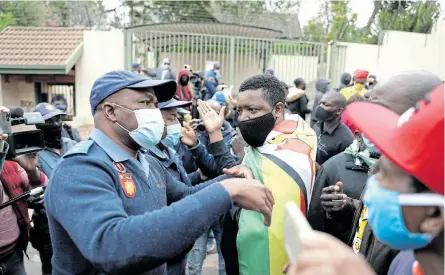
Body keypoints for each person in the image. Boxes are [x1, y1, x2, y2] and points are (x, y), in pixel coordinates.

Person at [45, 70, 275, 274]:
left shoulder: (147, 160)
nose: (155, 113)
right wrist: (225, 192)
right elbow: (111, 247)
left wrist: (233, 178)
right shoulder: (79, 168)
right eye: (145, 103)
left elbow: (184, 195)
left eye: (155, 105)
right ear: (111, 112)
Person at [288, 82, 444, 275]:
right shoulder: (413, 261)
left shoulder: (406, 260)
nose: (371, 190)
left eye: (384, 176)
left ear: (433, 215)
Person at [221, 74, 317, 275]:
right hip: (240, 247)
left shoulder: (296, 148)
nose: (243, 117)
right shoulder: (258, 143)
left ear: (278, 109)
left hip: (275, 257)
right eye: (240, 110)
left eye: (253, 110)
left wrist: (241, 155)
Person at [307, 121, 380, 243]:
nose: (377, 139)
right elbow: (315, 222)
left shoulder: (398, 171)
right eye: (371, 132)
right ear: (358, 135)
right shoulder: (332, 169)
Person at [31, 102, 77, 275]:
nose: (56, 124)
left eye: (58, 119)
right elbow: (36, 189)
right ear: (39, 126)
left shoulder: (72, 144)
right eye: (50, 121)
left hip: (78, 220)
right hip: (49, 228)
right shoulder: (33, 154)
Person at [312, 91, 354, 166]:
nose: (320, 107)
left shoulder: (346, 140)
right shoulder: (317, 125)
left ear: (339, 111)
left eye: (325, 104)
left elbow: (340, 170)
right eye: (320, 103)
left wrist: (319, 169)